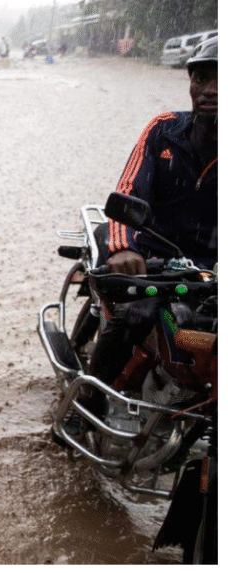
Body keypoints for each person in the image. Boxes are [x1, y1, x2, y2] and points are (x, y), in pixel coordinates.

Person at [86, 37, 217, 389]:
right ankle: (84, 406)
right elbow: (127, 190)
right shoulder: (163, 130)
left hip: (211, 269)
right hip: (155, 256)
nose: (210, 90)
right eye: (202, 78)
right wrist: (124, 248)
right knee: (134, 314)